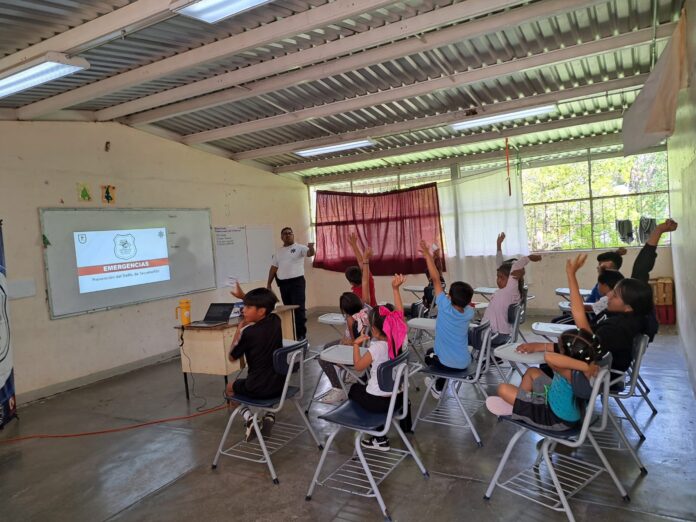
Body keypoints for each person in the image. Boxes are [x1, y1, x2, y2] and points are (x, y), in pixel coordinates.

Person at [519, 254, 654, 373]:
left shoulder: (617, 328)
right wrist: (541, 346)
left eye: (615, 295)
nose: (608, 295)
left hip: (599, 374)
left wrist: (571, 275)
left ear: (628, 307)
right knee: (544, 366)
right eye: (613, 291)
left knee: (541, 369)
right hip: (595, 364)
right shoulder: (620, 315)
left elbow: (584, 338)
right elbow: (581, 342)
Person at [491, 329, 604, 431]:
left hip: (554, 418)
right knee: (532, 372)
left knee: (503, 388)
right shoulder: (591, 365)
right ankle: (522, 405)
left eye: (560, 348)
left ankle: (522, 409)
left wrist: (585, 367)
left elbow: (548, 357)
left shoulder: (570, 372)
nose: (557, 349)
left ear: (568, 355)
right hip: (560, 404)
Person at [348, 274, 408, 452]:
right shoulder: (401, 339)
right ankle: (386, 430)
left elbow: (358, 367)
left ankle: (378, 436)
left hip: (379, 403)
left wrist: (356, 345)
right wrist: (395, 289)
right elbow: (399, 314)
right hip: (399, 399)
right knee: (366, 385)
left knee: (354, 390)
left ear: (373, 329)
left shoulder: (377, 348)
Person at [225, 288, 284, 442]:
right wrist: (244, 297)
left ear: (261, 311)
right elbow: (266, 304)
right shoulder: (276, 321)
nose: (243, 310)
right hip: (280, 386)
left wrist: (239, 330)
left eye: (248, 307)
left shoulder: (249, 333)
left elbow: (232, 356)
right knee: (263, 382)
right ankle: (269, 414)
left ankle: (250, 418)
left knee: (229, 388)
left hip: (258, 388)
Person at [419, 239, 475, 399]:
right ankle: (440, 382)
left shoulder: (444, 306)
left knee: (428, 355)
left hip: (447, 365)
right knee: (440, 355)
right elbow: (438, 279)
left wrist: (428, 256)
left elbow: (435, 279)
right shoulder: (469, 312)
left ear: (449, 296)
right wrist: (431, 257)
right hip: (465, 362)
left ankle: (438, 387)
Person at [317, 291, 371, 405]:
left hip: (354, 349)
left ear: (345, 310)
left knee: (322, 359)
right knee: (327, 347)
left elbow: (355, 342)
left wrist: (344, 342)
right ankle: (347, 374)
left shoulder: (351, 320)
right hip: (364, 348)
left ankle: (338, 388)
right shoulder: (365, 311)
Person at [487, 232, 541, 344]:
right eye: (497, 277)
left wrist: (529, 258)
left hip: (493, 335)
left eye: (502, 278)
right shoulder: (512, 292)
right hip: (501, 334)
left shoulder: (510, 290)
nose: (498, 280)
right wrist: (498, 245)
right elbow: (499, 265)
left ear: (512, 278)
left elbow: (516, 266)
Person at [267, 227, 315, 340]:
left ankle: (301, 335)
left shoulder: (300, 248)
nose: (287, 235)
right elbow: (273, 268)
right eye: (285, 234)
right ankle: (292, 333)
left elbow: (310, 253)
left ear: (293, 235)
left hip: (297, 282)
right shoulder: (279, 252)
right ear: (281, 237)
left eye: (290, 233)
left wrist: (311, 247)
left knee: (299, 308)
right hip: (283, 284)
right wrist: (269, 284)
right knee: (288, 309)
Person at [345, 232, 377, 307]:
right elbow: (361, 262)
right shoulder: (369, 279)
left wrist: (354, 246)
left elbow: (361, 262)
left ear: (351, 283)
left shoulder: (356, 295)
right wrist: (354, 245)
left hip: (369, 314)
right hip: (374, 311)